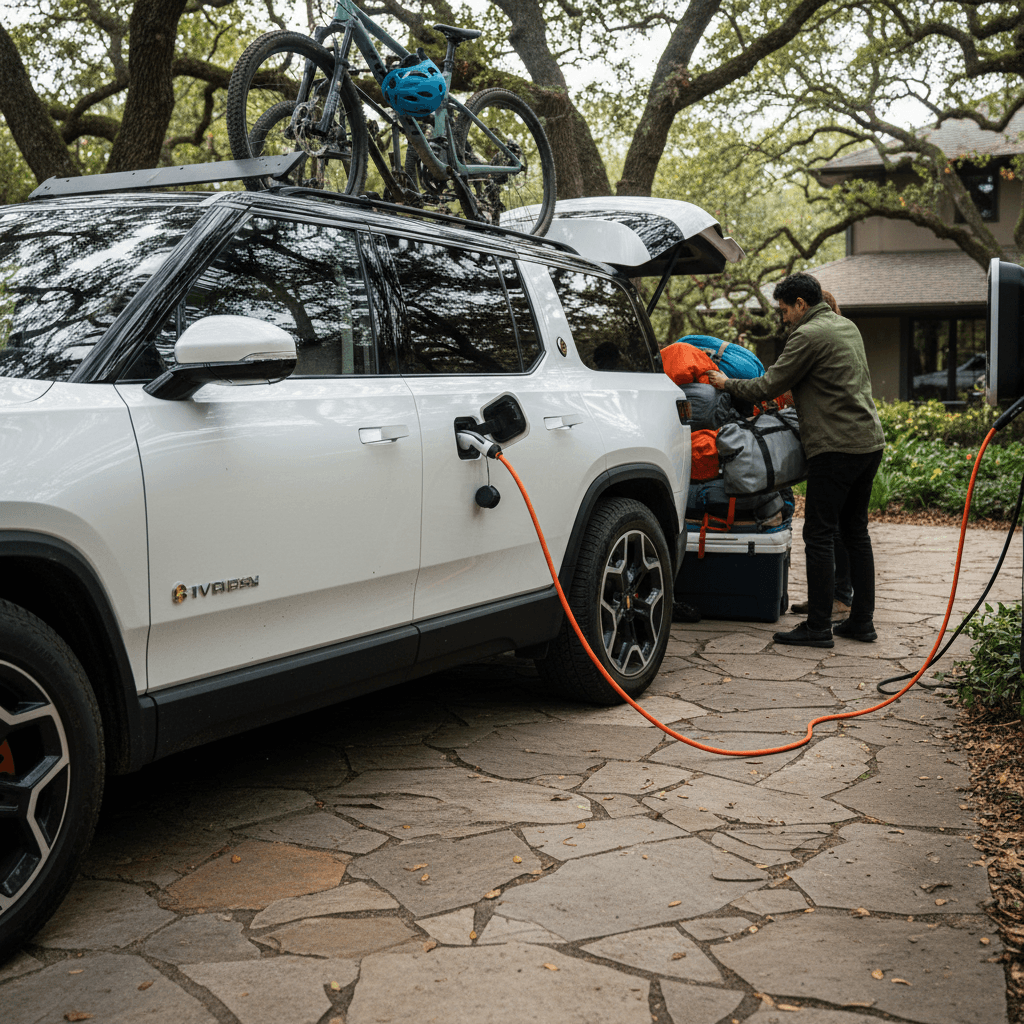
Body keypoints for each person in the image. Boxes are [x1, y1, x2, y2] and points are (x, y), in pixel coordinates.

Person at [707, 273, 884, 648]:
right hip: (869, 442)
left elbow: (769, 384)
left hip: (836, 448)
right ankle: (862, 622)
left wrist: (726, 384)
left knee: (818, 533)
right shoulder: (846, 326)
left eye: (785, 310)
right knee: (855, 533)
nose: (784, 318)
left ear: (801, 304)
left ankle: (818, 628)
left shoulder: (807, 334)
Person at [789, 287, 853, 620]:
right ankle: (840, 603)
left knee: (824, 531)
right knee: (843, 529)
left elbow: (785, 382)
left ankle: (829, 607)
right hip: (854, 444)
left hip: (835, 445)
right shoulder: (843, 334)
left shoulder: (817, 338)